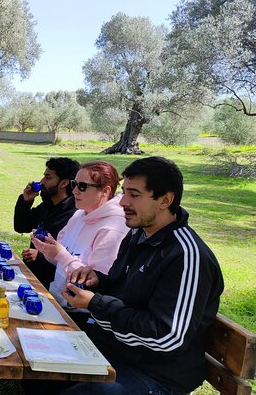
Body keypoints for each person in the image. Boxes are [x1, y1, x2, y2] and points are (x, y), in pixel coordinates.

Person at [61, 157, 224, 395]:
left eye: (134, 195)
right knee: (43, 364)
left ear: (165, 200)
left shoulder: (186, 256)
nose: (123, 202)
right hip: (119, 350)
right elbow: (124, 289)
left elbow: (167, 337)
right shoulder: (138, 234)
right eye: (124, 192)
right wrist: (97, 280)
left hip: (156, 376)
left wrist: (96, 303)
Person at [31, 161, 129, 324]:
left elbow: (90, 284)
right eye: (74, 184)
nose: (74, 190)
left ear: (105, 191)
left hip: (82, 317)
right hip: (57, 305)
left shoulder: (113, 228)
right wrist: (47, 250)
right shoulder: (79, 215)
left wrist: (59, 253)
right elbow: (60, 261)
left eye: (82, 186)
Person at [14, 157, 81, 288]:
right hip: (32, 276)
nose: (42, 182)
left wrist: (40, 257)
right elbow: (21, 226)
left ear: (63, 183)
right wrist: (26, 201)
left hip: (53, 285)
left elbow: (74, 257)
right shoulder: (47, 205)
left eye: (48, 177)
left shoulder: (74, 214)